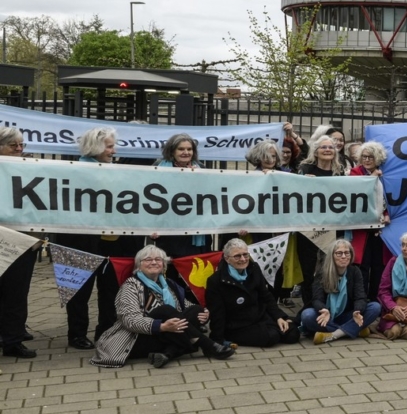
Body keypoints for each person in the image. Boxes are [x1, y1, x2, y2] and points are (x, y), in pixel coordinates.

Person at [92, 245, 232, 368]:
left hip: (163, 336)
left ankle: (168, 354)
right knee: (165, 310)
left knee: (196, 310)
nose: (154, 262)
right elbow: (129, 320)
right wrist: (161, 326)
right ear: (138, 266)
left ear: (164, 265)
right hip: (134, 340)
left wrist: (204, 313)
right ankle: (207, 345)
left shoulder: (167, 284)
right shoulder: (130, 286)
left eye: (158, 260)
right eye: (148, 260)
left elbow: (185, 306)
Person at [63, 126, 127, 349]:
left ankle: (107, 330)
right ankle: (77, 334)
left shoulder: (115, 170)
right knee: (78, 289)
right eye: (109, 146)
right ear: (96, 147)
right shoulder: (76, 170)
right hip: (79, 240)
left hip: (110, 241)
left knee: (109, 287)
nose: (113, 150)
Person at [206, 239, 301, 348]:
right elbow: (217, 312)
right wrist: (217, 338)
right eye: (237, 256)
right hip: (237, 325)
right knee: (271, 337)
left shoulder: (254, 268)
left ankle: (278, 326)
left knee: (293, 333)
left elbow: (266, 296)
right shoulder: (216, 281)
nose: (243, 259)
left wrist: (279, 317)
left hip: (259, 317)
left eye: (245, 255)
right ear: (227, 258)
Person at [0, 128, 38, 358]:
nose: (19, 149)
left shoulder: (30, 169)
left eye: (22, 145)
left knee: (16, 292)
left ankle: (13, 339)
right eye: (14, 145)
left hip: (22, 240)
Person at [299, 239, 382, 345]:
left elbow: (360, 297)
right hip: (326, 317)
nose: (343, 256)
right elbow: (316, 298)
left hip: (348, 316)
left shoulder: (355, 271)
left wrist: (357, 310)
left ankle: (334, 335)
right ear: (331, 256)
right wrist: (323, 309)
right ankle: (353, 330)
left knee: (375, 307)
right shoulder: (322, 273)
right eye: (339, 253)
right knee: (307, 315)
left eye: (347, 253)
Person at [152, 133, 212, 261]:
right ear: (172, 151)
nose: (186, 152)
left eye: (189, 149)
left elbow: (210, 196)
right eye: (181, 149)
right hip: (169, 230)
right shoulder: (158, 167)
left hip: (195, 229)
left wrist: (197, 178)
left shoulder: (201, 168)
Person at [348, 141, 391, 295]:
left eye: (371, 157)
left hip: (381, 226)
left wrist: (386, 214)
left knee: (379, 265)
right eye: (364, 157)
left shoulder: (386, 172)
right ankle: (361, 298)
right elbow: (357, 192)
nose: (367, 160)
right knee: (362, 264)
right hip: (362, 227)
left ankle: (375, 298)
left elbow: (388, 197)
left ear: (378, 158)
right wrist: (372, 178)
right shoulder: (355, 172)